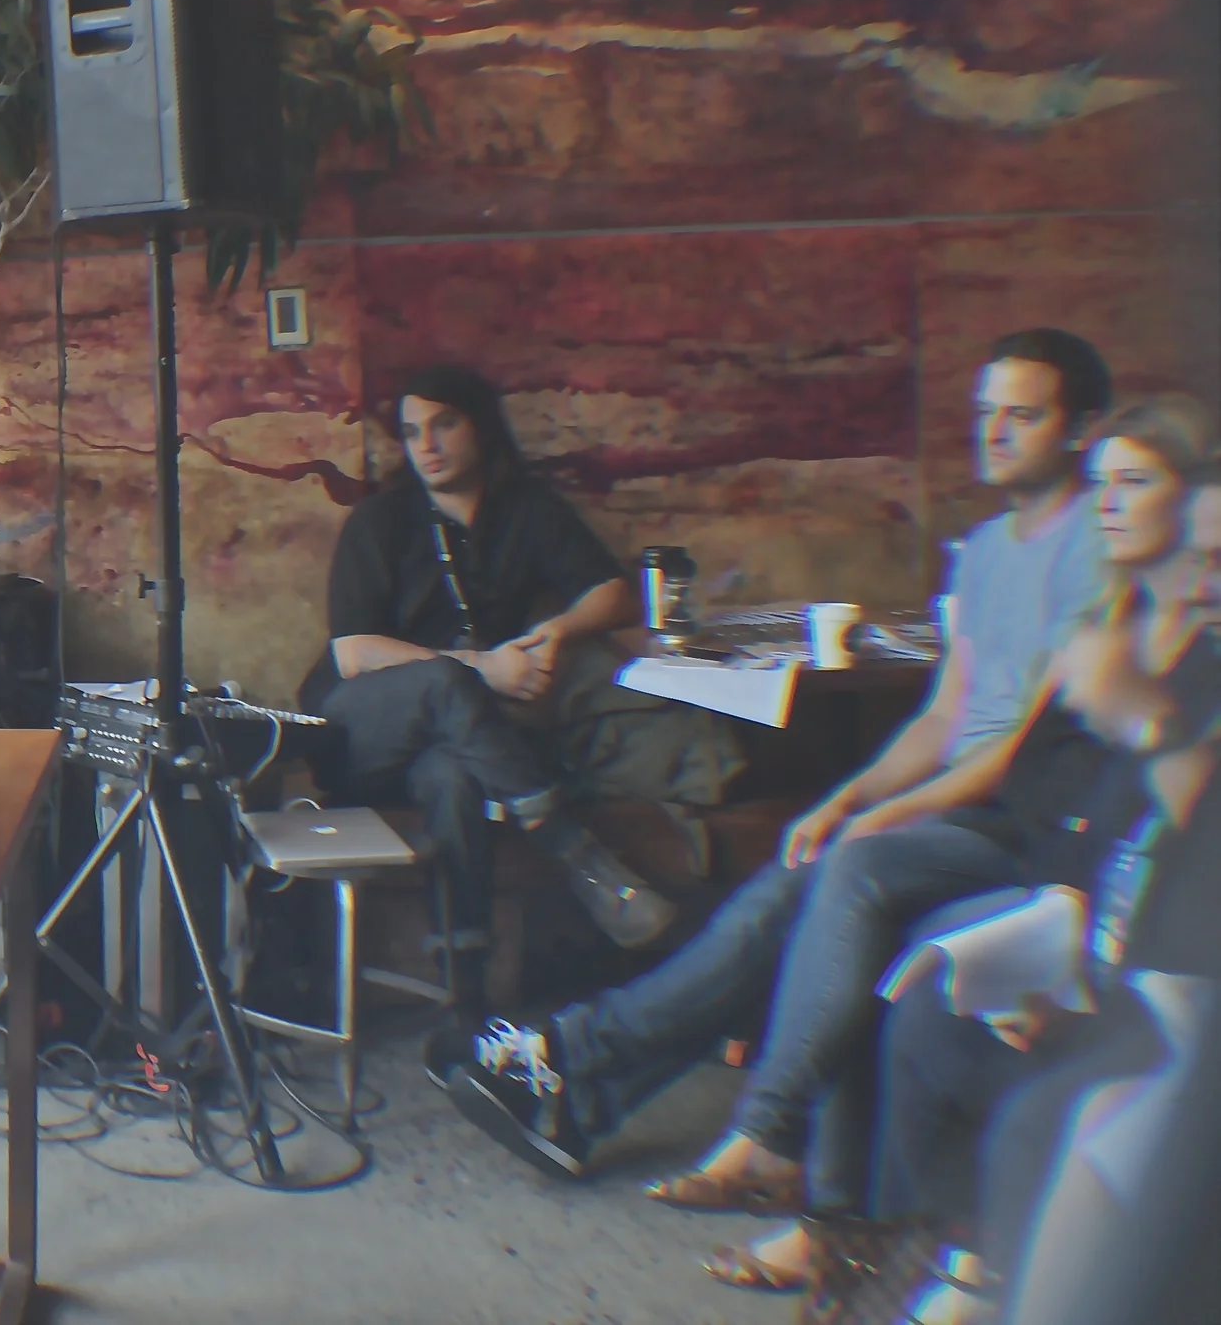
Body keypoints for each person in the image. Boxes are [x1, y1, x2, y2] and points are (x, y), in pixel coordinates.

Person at [439, 328, 1116, 1224]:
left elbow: (1026, 748)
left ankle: (724, 1120)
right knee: (793, 875)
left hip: (1023, 818)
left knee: (852, 869)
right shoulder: (988, 547)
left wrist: (892, 814)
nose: (992, 434)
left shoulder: (1095, 552)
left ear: (1080, 429)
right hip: (955, 805)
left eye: (1021, 416)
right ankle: (580, 1085)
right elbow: (946, 717)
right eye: (985, 413)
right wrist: (847, 797)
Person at [836, 463, 1221, 1323]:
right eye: (1198, 557)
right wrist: (1064, 964)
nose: (1201, 584)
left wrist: (1144, 721)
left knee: (1043, 1114)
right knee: (929, 1012)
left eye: (1220, 561)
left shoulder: (1171, 690)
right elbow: (1113, 846)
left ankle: (976, 1276)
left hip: (1189, 1013)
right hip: (1118, 954)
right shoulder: (1137, 647)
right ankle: (931, 1245)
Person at [299, 364, 673, 1025]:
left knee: (453, 779)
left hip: (460, 750)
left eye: (444, 424)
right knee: (446, 682)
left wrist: (556, 630)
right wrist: (484, 670)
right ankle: (571, 846)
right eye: (413, 432)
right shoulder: (381, 521)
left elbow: (611, 594)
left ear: (481, 427)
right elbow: (353, 653)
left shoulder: (524, 511)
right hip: (358, 732)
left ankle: (463, 996)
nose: (427, 445)